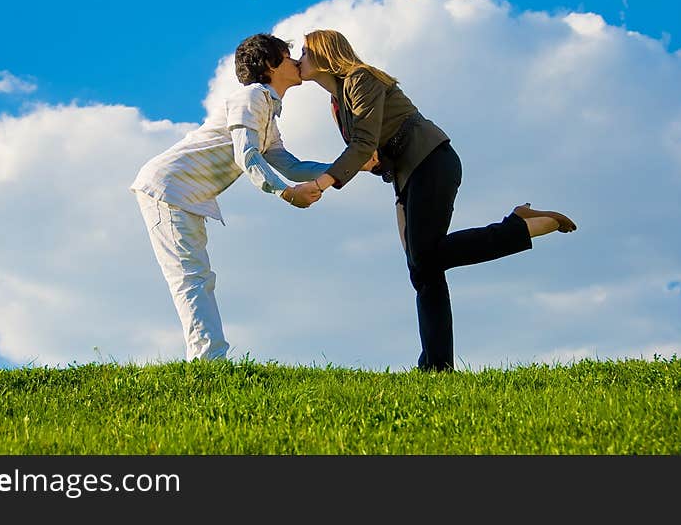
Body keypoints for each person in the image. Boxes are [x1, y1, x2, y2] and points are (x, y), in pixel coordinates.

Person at [296, 29, 577, 372]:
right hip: (405, 174)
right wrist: (371, 163)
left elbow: (363, 143)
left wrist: (322, 183)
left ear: (325, 54)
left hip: (431, 161)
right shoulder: (337, 102)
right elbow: (368, 151)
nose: (299, 59)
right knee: (423, 268)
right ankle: (436, 367)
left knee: (426, 258)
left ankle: (517, 227)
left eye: (305, 52)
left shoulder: (360, 78)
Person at [130, 34, 329, 361]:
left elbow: (290, 165)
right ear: (269, 65)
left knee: (198, 277)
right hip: (168, 187)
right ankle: (209, 361)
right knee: (191, 277)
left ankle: (210, 359)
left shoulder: (267, 110)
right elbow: (247, 155)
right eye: (289, 56)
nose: (296, 62)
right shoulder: (251, 97)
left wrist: (349, 166)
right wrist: (285, 194)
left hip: (185, 193)